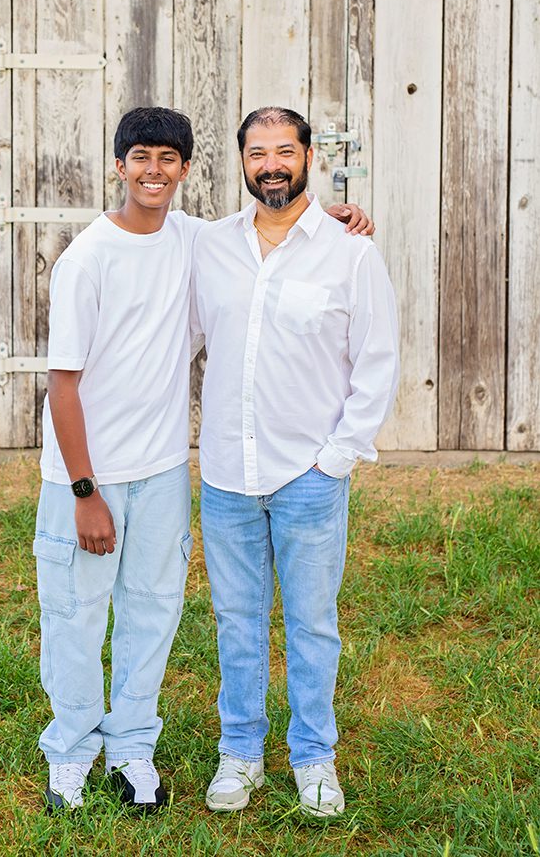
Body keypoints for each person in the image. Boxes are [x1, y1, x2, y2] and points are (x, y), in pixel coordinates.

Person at [34, 105, 373, 815]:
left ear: (187, 169)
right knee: (76, 613)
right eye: (139, 159)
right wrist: (83, 488)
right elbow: (61, 383)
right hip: (87, 477)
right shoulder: (86, 258)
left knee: (151, 614)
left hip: (161, 470)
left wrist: (330, 217)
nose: (153, 172)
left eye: (168, 160)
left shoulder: (199, 239)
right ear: (117, 166)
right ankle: (70, 751)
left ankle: (131, 747)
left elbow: (274, 230)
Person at [190, 106, 399, 817]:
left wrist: (335, 460)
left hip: (308, 474)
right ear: (242, 162)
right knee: (235, 619)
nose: (271, 164)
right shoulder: (208, 245)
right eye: (257, 153)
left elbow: (376, 363)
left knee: (311, 624)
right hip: (225, 475)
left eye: (284, 150)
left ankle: (314, 758)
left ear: (309, 156)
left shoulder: (350, 253)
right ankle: (240, 755)